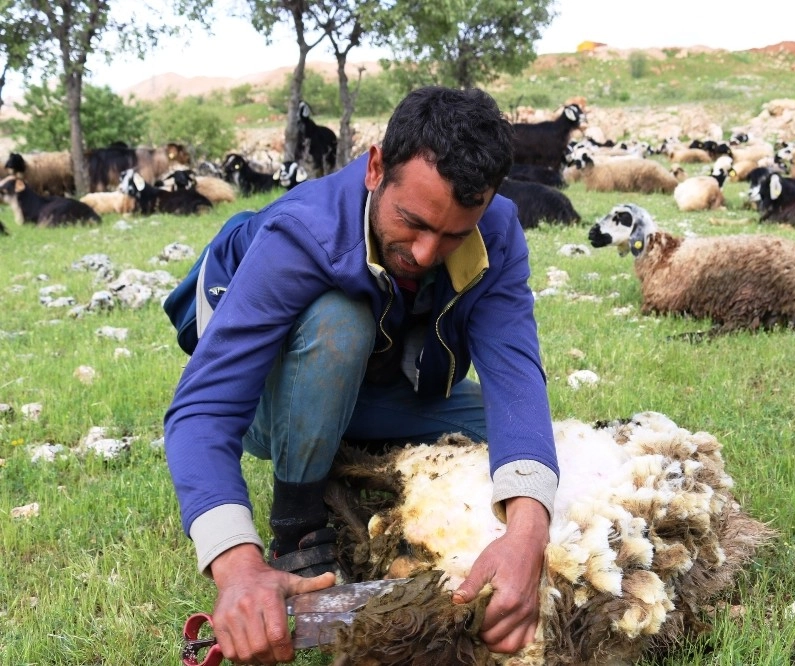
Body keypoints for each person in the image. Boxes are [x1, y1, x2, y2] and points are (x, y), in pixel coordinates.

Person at [163, 85, 559, 665]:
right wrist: (238, 566)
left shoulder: (495, 230)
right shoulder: (301, 232)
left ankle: (340, 447)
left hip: (375, 389)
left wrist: (527, 536)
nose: (426, 253)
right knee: (339, 321)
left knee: (516, 440)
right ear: (376, 167)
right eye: (413, 222)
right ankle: (298, 524)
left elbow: (515, 375)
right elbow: (204, 410)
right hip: (271, 401)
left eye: (452, 235)